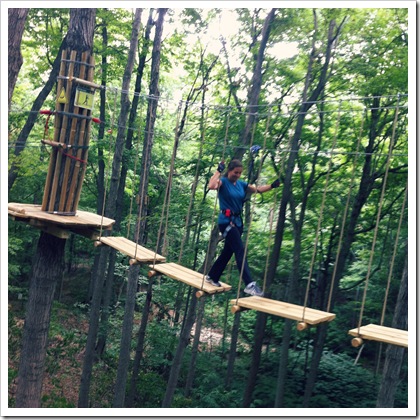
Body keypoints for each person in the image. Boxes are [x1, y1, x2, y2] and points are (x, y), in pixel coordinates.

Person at [205, 159, 280, 296]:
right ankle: (249, 284)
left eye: (240, 173)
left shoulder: (241, 184)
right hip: (226, 222)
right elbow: (211, 186)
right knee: (240, 250)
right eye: (235, 172)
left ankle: (212, 276)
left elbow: (258, 190)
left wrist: (272, 185)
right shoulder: (223, 182)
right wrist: (218, 170)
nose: (238, 175)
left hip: (237, 223)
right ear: (229, 170)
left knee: (228, 252)